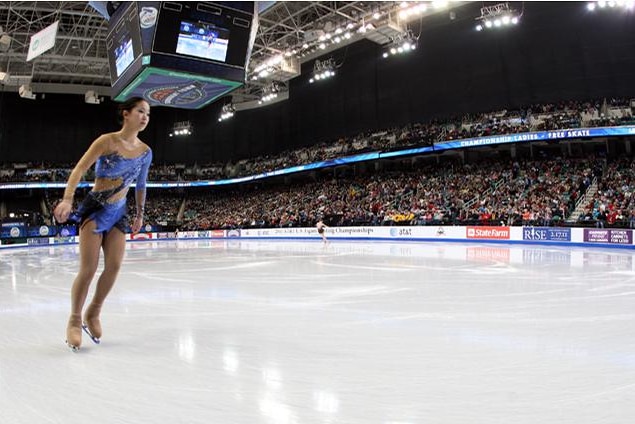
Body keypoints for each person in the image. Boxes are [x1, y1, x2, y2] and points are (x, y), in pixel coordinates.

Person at [53, 97, 152, 351]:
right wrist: (67, 199)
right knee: (88, 268)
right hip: (96, 209)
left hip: (120, 213)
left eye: (148, 114)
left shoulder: (145, 152)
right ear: (126, 114)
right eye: (140, 111)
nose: (144, 117)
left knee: (115, 266)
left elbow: (140, 186)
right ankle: (74, 320)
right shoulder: (106, 141)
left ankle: (93, 312)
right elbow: (80, 169)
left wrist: (140, 214)